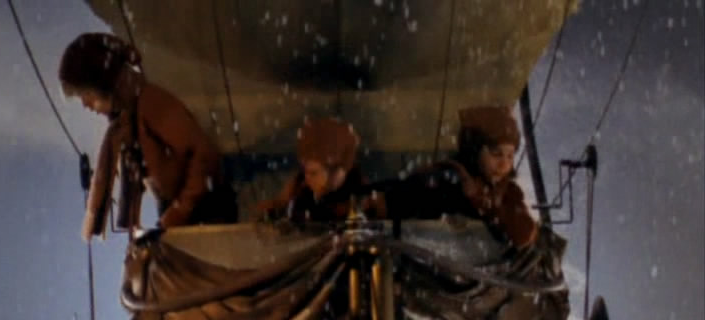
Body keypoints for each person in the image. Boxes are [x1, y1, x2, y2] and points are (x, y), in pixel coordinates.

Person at [58, 33, 237, 241]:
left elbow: (203, 154)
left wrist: (178, 213)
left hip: (207, 218)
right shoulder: (127, 124)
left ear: (105, 86)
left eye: (86, 95)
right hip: (188, 221)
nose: (85, 105)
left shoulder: (151, 104)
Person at [387, 106, 538, 249]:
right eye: (496, 153)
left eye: (510, 156)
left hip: (490, 266)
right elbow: (401, 218)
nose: (504, 164)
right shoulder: (442, 180)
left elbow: (523, 235)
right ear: (475, 150)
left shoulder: (508, 192)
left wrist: (486, 205)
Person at [256, 117, 384, 222]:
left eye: (313, 173)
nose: (307, 178)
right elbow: (277, 207)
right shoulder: (299, 185)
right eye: (305, 171)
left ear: (338, 171)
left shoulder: (361, 191)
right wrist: (272, 211)